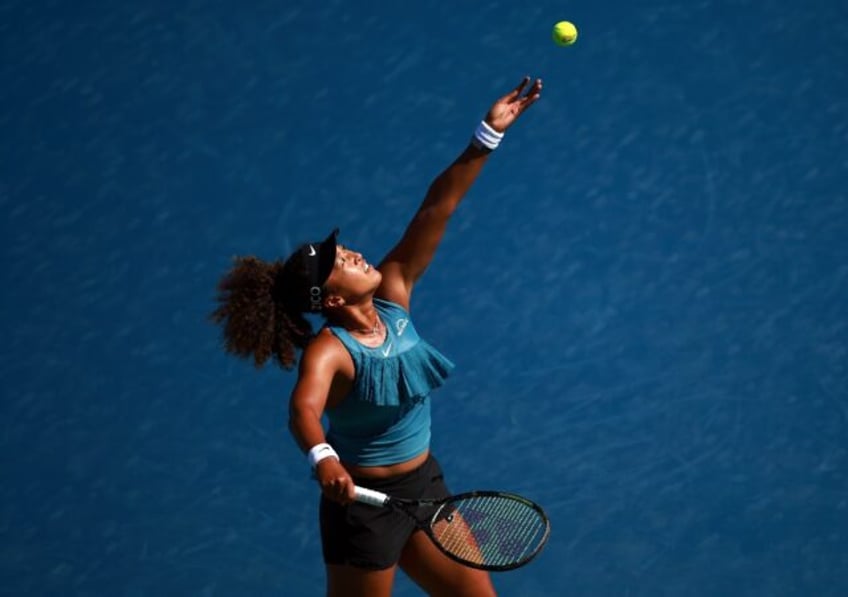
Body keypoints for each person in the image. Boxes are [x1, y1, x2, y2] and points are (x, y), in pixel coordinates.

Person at [211, 76, 542, 596]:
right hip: (360, 508)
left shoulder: (394, 292)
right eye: (342, 262)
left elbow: (437, 208)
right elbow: (303, 409)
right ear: (334, 300)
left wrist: (486, 136)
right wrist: (325, 460)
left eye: (344, 250)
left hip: (424, 487)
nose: (356, 254)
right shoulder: (330, 352)